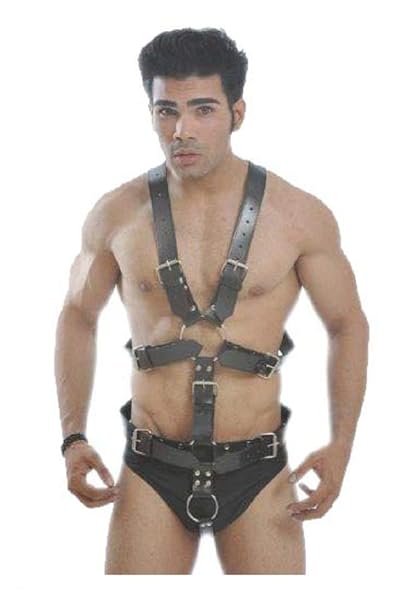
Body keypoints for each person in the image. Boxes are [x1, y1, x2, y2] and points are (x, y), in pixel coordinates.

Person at [54, 27, 369, 575]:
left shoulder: (299, 216)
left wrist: (341, 445)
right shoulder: (116, 214)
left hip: (258, 471)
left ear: (237, 112)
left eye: (203, 109)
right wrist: (72, 436)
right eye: (166, 111)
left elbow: (348, 325)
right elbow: (78, 316)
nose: (182, 130)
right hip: (151, 469)